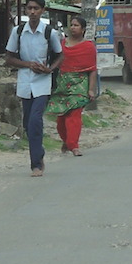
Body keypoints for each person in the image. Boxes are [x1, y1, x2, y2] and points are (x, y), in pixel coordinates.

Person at [5, 0, 62, 177]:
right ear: (25, 10)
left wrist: (49, 69)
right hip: (25, 81)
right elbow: (9, 58)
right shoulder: (18, 32)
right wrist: (28, 65)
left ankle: (35, 164)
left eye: (36, 8)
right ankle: (40, 153)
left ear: (42, 10)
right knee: (28, 124)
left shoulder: (49, 33)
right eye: (29, 8)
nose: (32, 12)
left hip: (42, 83)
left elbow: (60, 56)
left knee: (35, 120)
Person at [48, 14, 99, 157]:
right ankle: (66, 141)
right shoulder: (62, 44)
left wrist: (91, 90)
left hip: (80, 84)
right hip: (63, 83)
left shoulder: (88, 47)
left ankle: (74, 145)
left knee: (74, 115)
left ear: (83, 29)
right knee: (61, 118)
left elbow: (92, 70)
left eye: (76, 25)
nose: (73, 28)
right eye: (72, 25)